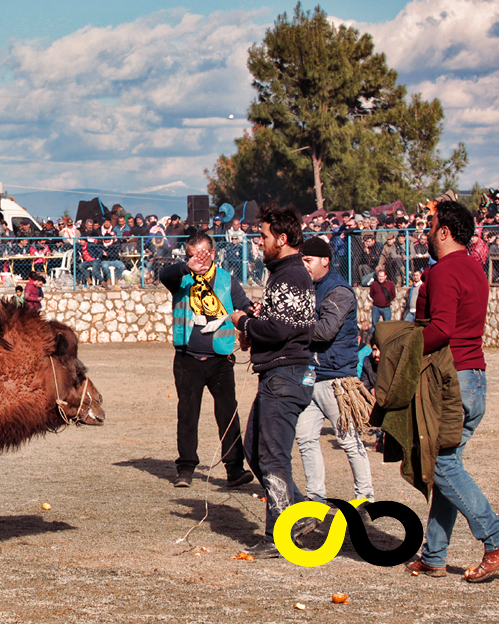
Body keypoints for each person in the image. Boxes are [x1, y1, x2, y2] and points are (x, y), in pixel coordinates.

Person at [406, 200, 499, 582]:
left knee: (441, 464)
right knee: (446, 466)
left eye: (431, 224)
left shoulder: (444, 271)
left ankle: (496, 537)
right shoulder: (474, 268)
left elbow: (441, 328)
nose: (426, 230)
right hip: (474, 378)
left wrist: (404, 351)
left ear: (444, 231)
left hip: (451, 379)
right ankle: (434, 555)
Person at [229, 201, 316, 559]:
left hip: (286, 375)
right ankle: (301, 512)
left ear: (281, 238)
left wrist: (244, 323)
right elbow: (282, 322)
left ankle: (278, 537)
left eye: (263, 236)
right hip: (278, 374)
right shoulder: (284, 274)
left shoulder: (291, 274)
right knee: (253, 449)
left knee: (273, 457)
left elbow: (280, 329)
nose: (259, 242)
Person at [159, 232, 255, 489]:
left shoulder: (227, 280)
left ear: (212, 254)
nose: (196, 260)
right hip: (187, 359)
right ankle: (185, 468)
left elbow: (243, 307)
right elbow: (164, 275)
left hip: (221, 359)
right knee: (187, 414)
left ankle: (235, 469)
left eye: (200, 255)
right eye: (191, 256)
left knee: (228, 414)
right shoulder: (181, 278)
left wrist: (250, 322)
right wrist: (185, 267)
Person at [294, 238, 374, 508]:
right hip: (309, 375)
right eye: (302, 260)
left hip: (336, 377)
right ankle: (315, 498)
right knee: (305, 439)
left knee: (349, 441)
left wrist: (290, 328)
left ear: (324, 260)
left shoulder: (339, 290)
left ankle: (365, 497)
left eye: (308, 260)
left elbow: (326, 330)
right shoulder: (307, 287)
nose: (303, 265)